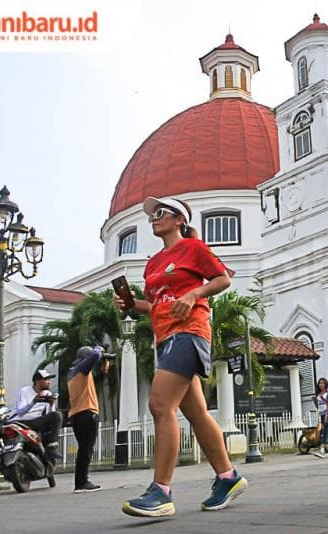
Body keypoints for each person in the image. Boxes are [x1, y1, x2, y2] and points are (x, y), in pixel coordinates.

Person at [115, 196, 246, 517]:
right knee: (197, 413)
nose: (153, 218)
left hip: (189, 332)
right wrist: (132, 304)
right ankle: (228, 477)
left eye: (160, 213)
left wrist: (194, 293)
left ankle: (160, 491)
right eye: (151, 215)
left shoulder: (194, 249)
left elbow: (223, 278)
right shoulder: (153, 263)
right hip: (165, 337)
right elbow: (159, 304)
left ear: (179, 220)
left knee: (160, 405)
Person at [0, 369, 62, 463]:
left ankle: (52, 448)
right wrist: (34, 401)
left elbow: (50, 415)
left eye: (49, 379)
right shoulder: (25, 391)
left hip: (34, 423)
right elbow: (20, 411)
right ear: (37, 381)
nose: (49, 382)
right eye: (46, 379)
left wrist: (51, 404)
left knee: (57, 415)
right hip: (15, 421)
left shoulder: (48, 394)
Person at [67, 346, 110, 492]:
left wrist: (105, 366)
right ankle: (82, 482)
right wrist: (99, 350)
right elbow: (94, 357)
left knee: (83, 450)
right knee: (86, 450)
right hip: (86, 414)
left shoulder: (75, 374)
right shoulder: (81, 369)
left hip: (77, 415)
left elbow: (97, 380)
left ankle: (81, 481)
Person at [312, 377, 328, 458]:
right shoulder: (319, 395)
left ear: (326, 384)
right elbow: (318, 406)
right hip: (322, 414)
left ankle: (322, 449)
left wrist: (327, 414)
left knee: (325, 430)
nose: (321, 384)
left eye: (322, 383)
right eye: (319, 383)